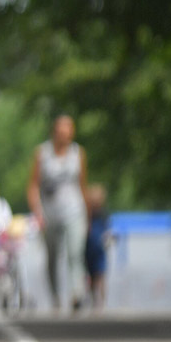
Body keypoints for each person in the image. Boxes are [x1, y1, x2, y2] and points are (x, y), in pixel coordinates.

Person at [27, 114, 89, 314]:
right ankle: (55, 296)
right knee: (52, 256)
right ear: (55, 132)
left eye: (69, 131)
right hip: (49, 213)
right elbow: (33, 186)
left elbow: (82, 186)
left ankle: (76, 294)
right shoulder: (42, 153)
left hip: (74, 210)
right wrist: (37, 211)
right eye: (62, 131)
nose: (66, 135)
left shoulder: (78, 153)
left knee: (74, 252)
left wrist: (87, 214)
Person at [84, 183, 112, 311]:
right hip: (88, 250)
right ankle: (93, 301)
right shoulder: (86, 215)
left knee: (100, 276)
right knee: (89, 277)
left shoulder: (103, 215)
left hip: (99, 251)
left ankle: (102, 302)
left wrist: (108, 239)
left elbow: (108, 231)